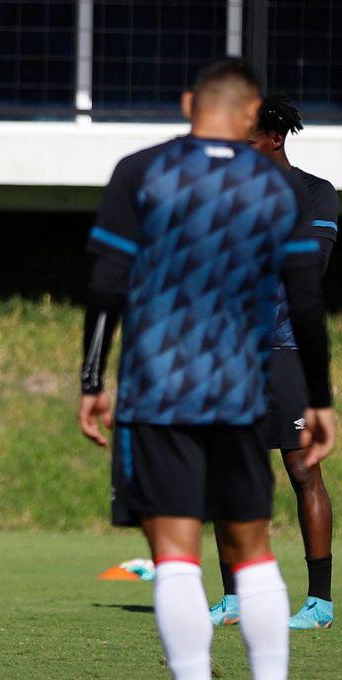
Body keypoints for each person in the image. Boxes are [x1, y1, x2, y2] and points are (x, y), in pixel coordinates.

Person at [78, 59, 335, 680]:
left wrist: (91, 381)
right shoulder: (277, 190)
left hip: (158, 385)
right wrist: (322, 397)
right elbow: (306, 298)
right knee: (254, 551)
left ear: (189, 101)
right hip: (244, 382)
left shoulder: (140, 172)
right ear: (250, 114)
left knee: (174, 554)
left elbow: (107, 284)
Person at [209, 93, 338, 630]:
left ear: (274, 139)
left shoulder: (317, 194)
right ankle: (235, 596)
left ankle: (319, 602)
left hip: (287, 350)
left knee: (302, 471)